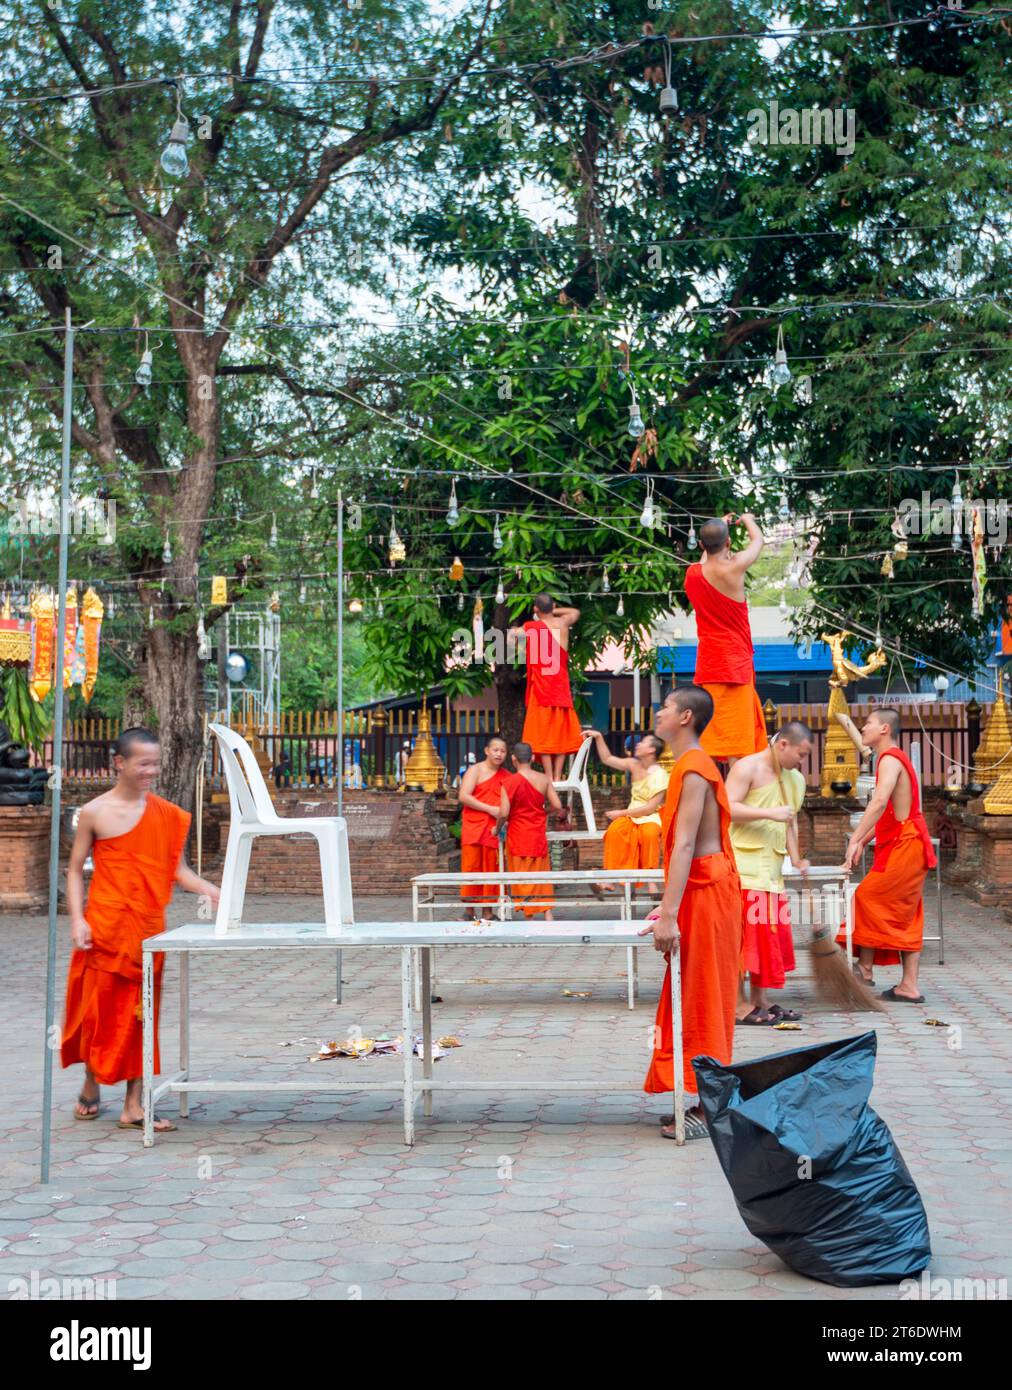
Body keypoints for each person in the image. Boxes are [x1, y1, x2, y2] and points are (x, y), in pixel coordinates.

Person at [62, 727, 220, 1131]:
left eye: (156, 763)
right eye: (143, 763)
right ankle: (92, 1079)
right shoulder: (95, 812)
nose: (152, 771)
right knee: (99, 1011)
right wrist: (78, 919)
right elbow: (76, 869)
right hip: (104, 927)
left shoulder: (166, 814)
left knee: (141, 1014)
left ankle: (134, 1103)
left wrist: (208, 887)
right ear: (120, 763)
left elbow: (177, 870)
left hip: (148, 929)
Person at [642, 687, 743, 1141]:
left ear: (684, 717)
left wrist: (669, 912)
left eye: (663, 707)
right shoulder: (687, 765)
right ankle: (703, 1096)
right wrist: (669, 901)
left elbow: (685, 843)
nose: (657, 713)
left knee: (706, 995)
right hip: (701, 890)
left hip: (709, 892)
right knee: (695, 992)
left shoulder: (697, 767)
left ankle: (710, 1107)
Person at [840, 709, 936, 1002]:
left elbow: (880, 802)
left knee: (867, 898)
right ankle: (907, 985)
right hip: (902, 844)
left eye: (867, 724)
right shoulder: (889, 758)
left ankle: (866, 968)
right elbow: (887, 815)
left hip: (906, 846)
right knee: (904, 912)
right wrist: (862, 841)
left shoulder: (891, 758)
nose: (862, 728)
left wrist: (854, 840)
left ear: (884, 728)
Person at [727, 722, 813, 1024]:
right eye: (800, 754)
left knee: (766, 939)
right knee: (743, 942)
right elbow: (727, 808)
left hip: (772, 873)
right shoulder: (747, 768)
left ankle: (760, 1000)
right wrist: (767, 813)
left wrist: (796, 858)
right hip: (744, 869)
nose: (802, 761)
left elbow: (789, 821)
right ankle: (738, 1005)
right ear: (783, 745)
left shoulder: (795, 779)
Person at [684, 514, 767, 765]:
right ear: (728, 542)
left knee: (709, 738)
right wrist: (748, 519)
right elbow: (759, 540)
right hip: (735, 663)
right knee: (738, 744)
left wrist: (717, 525)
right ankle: (735, 799)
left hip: (709, 665)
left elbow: (703, 562)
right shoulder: (735, 566)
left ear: (700, 545)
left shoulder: (693, 574)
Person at [586, 729, 668, 896]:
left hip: (650, 816)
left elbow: (650, 808)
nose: (638, 744)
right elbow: (607, 759)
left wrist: (621, 813)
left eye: (643, 743)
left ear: (651, 750)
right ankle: (609, 878)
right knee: (614, 831)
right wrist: (599, 737)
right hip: (631, 814)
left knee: (649, 834)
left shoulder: (661, 775)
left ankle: (652, 882)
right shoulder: (633, 763)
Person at [512, 594, 584, 782]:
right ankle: (558, 776)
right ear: (552, 605)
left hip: (542, 687)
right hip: (560, 684)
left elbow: (511, 638)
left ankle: (549, 775)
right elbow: (576, 611)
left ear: (536, 609)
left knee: (543, 731)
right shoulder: (562, 624)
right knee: (560, 730)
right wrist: (553, 611)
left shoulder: (531, 628)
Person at [499, 742, 563, 919]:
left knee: (522, 875)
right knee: (540, 873)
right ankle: (548, 914)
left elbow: (503, 813)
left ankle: (529, 916)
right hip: (536, 833)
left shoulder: (508, 782)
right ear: (533, 758)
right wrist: (542, 811)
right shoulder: (543, 779)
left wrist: (497, 828)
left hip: (518, 834)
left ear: (513, 759)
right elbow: (557, 805)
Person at [456, 734, 509, 920]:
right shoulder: (475, 770)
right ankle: (469, 911)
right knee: (471, 867)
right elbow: (464, 796)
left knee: (491, 869)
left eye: (503, 751)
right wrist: (490, 809)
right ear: (487, 751)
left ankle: (488, 911)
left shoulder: (506, 776)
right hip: (474, 825)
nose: (499, 754)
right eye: (495, 750)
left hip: (493, 829)